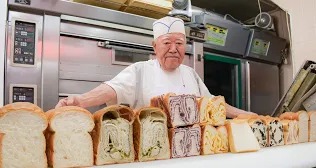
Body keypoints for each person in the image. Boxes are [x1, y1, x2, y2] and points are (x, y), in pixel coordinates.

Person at [55, 16, 256, 118]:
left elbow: (212, 103)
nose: (173, 49)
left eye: (179, 43)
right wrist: (81, 100)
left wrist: (247, 115)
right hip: (151, 153)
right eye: (167, 43)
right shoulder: (140, 70)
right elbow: (112, 89)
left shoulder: (191, 74)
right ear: (154, 46)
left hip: (192, 152)